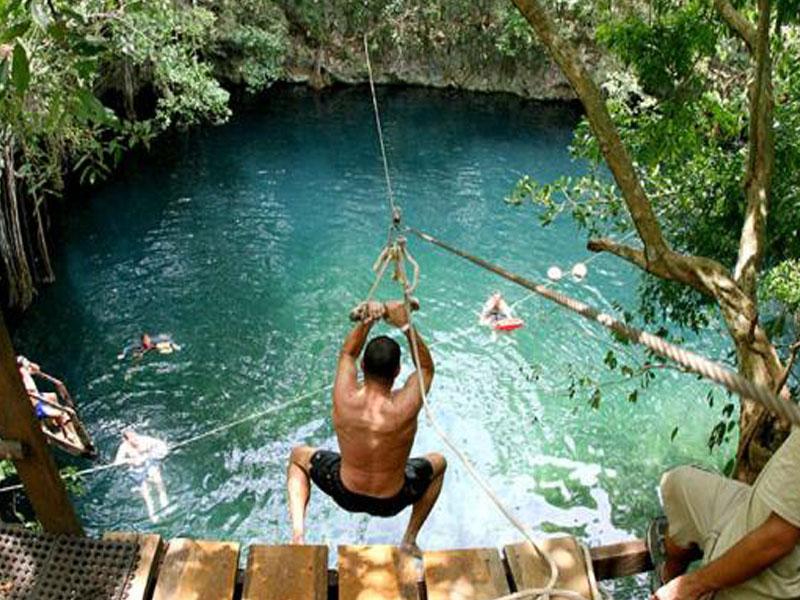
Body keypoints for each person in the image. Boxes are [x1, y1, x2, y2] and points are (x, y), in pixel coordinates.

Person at [286, 300, 446, 555]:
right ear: (397, 372)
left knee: (297, 457)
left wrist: (368, 320)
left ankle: (298, 535)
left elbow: (348, 353)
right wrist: (404, 323)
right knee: (439, 463)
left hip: (344, 490)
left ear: (363, 367)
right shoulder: (404, 407)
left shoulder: (345, 397)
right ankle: (409, 539)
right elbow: (426, 367)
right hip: (394, 499)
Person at [650, 426, 800, 599]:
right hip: (760, 507)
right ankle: (667, 576)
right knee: (677, 484)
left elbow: (776, 539)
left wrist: (693, 585)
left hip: (770, 570)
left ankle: (672, 582)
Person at [115, 430, 170, 523]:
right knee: (147, 494)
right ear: (126, 440)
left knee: (160, 484)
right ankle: (152, 514)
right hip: (137, 471)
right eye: (132, 439)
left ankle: (166, 507)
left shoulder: (144, 440)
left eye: (135, 437)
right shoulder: (124, 447)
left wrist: (150, 453)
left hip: (149, 465)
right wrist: (129, 460)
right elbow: (117, 462)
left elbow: (161, 445)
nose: (136, 440)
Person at [16, 356, 73, 438]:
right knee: (60, 414)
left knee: (53, 396)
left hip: (38, 397)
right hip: (36, 405)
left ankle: (54, 420)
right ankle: (67, 433)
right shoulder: (21, 376)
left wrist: (28, 363)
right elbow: (29, 392)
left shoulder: (25, 371)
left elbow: (37, 369)